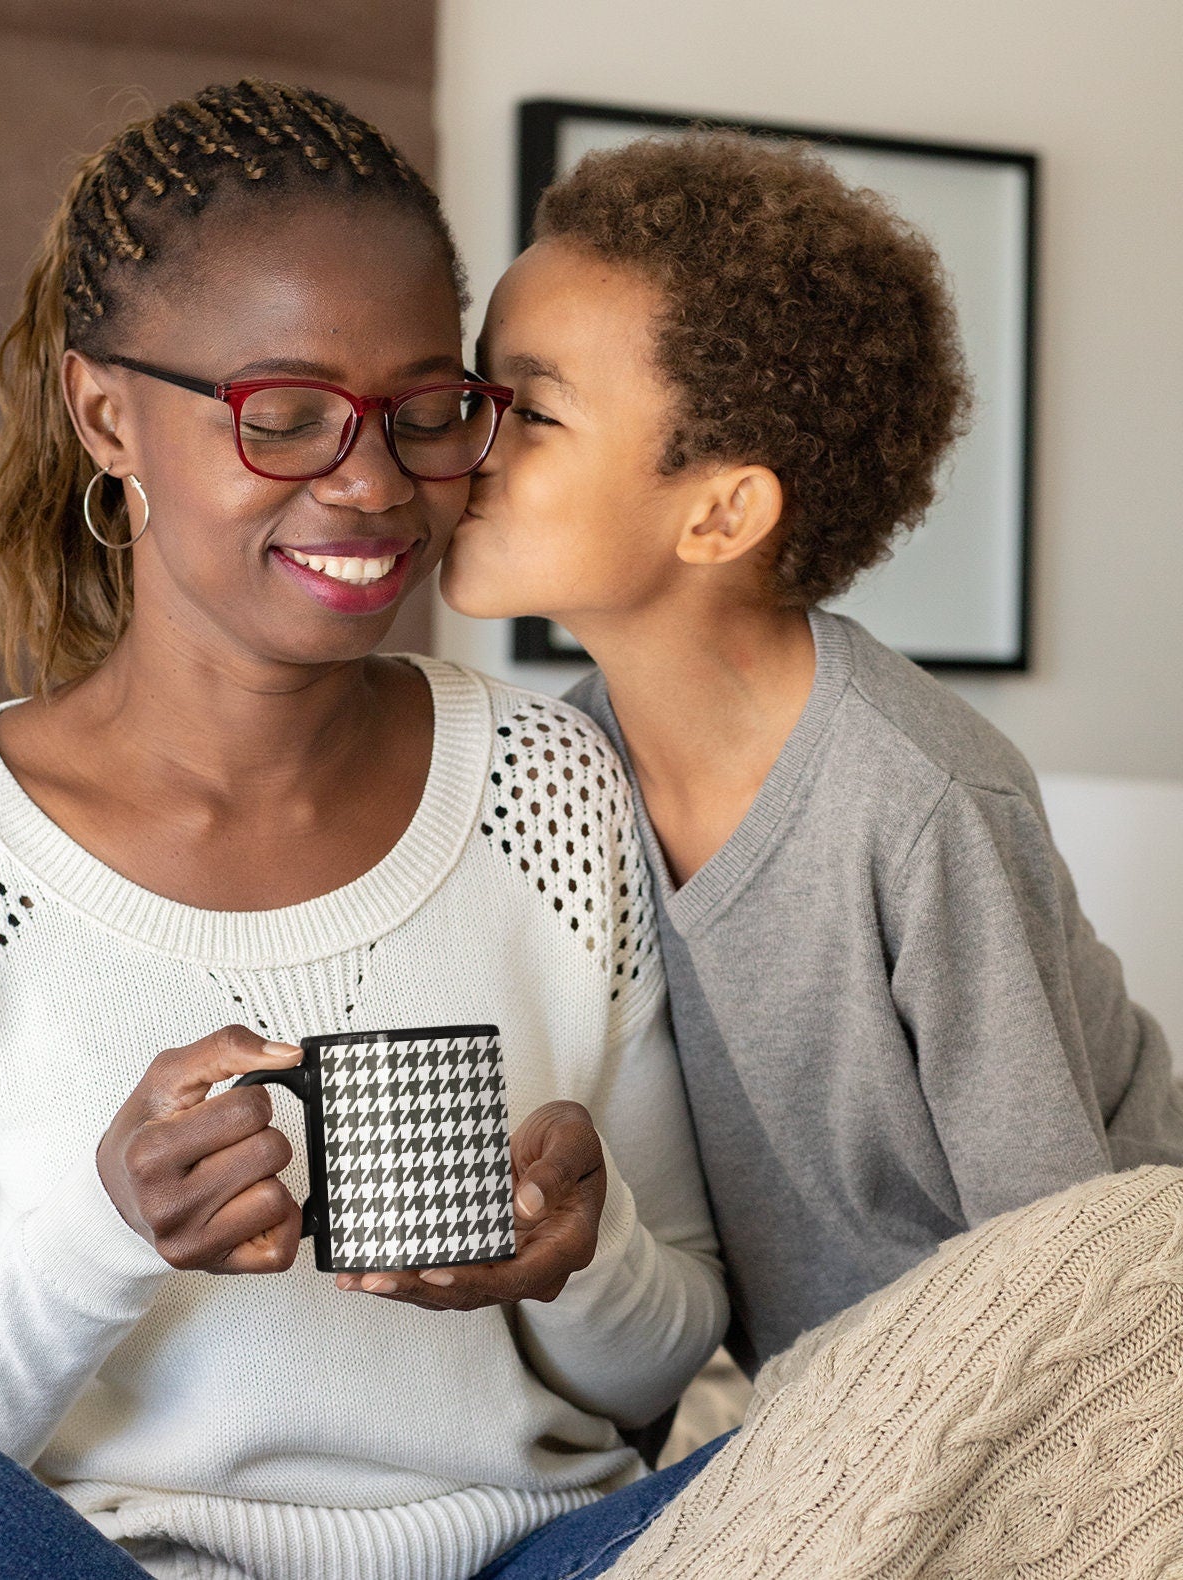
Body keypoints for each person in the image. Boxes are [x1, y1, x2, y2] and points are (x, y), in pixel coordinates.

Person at [0, 82, 731, 1580]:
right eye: (283, 416)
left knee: (977, 1372)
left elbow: (666, 1365)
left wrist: (579, 1262)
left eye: (425, 412)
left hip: (538, 1560)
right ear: (105, 413)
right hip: (115, 1569)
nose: (374, 485)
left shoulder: (550, 783)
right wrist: (100, 1234)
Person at [442, 129, 1183, 1382]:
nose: (470, 440)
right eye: (477, 392)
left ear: (722, 511)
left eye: (535, 410)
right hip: (812, 1405)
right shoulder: (557, 773)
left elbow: (1065, 1264)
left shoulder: (923, 796)